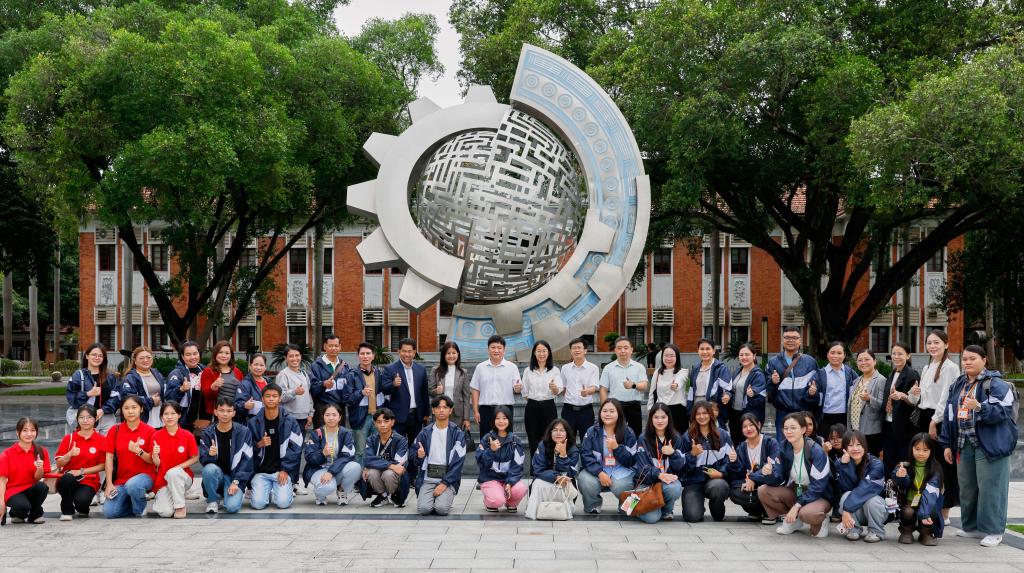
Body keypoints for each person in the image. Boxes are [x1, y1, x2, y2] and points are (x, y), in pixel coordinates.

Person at [939, 344, 1014, 547]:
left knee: (991, 489)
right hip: (963, 443)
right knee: (968, 488)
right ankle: (972, 527)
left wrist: (979, 407)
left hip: (989, 445)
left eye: (972, 358)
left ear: (984, 360)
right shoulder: (958, 384)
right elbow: (949, 414)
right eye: (965, 359)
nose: (967, 362)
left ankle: (994, 530)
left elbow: (1004, 412)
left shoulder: (996, 384)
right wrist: (947, 443)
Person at [758, 412, 833, 538]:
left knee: (808, 515)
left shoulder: (816, 451)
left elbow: (818, 486)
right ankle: (795, 520)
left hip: (818, 494)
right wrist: (769, 474)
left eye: (793, 428)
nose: (789, 431)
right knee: (763, 491)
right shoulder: (784, 447)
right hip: (797, 489)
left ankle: (821, 519)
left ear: (803, 430)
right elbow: (778, 478)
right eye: (786, 428)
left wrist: (797, 505)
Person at [919, 329, 960, 523]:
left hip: (939, 419)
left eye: (936, 342)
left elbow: (946, 398)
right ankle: (929, 507)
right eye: (929, 343)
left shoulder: (950, 367)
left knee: (944, 466)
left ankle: (945, 512)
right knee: (928, 465)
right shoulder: (927, 367)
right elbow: (923, 397)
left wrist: (934, 421)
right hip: (925, 417)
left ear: (946, 344)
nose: (932, 346)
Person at [247, 383, 303, 510]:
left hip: (281, 472)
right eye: (267, 396)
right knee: (258, 505)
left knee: (283, 504)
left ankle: (285, 489)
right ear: (262, 399)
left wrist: (285, 469)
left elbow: (296, 448)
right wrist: (259, 444)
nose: (271, 399)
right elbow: (246, 449)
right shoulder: (253, 422)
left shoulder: (290, 421)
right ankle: (266, 491)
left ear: (280, 398)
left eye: (274, 396)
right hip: (261, 472)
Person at [678, 400, 736, 522]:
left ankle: (716, 506)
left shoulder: (723, 435)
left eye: (705, 413)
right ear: (694, 416)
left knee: (719, 486)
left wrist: (721, 473)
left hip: (715, 480)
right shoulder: (687, 436)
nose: (702, 417)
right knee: (692, 517)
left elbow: (730, 460)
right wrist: (692, 454)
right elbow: (680, 466)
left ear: (711, 414)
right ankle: (696, 505)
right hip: (693, 482)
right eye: (698, 414)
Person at [411, 394, 468, 516]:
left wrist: (444, 484)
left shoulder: (457, 434)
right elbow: (412, 456)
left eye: (445, 407)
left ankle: (443, 498)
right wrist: (419, 456)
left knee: (441, 509)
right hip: (428, 478)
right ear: (433, 410)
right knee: (424, 509)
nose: (441, 410)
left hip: (448, 479)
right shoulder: (425, 432)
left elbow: (458, 464)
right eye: (438, 407)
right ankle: (432, 498)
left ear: (450, 410)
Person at [578, 398, 637, 514]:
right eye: (604, 411)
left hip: (621, 470)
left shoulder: (628, 432)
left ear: (619, 413)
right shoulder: (592, 431)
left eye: (611, 411)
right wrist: (599, 472)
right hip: (598, 469)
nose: (608, 414)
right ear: (600, 413)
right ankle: (593, 506)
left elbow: (632, 460)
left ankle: (626, 507)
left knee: (621, 486)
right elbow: (585, 455)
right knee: (584, 480)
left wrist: (617, 448)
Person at [102, 395, 157, 518]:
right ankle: (132, 501)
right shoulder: (114, 430)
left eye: (134, 407)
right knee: (109, 512)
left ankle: (139, 509)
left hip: (145, 476)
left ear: (141, 409)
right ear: (121, 410)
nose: (130, 411)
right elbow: (109, 458)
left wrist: (139, 451)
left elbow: (152, 460)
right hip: (121, 480)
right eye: (126, 408)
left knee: (133, 485)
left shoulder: (150, 431)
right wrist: (109, 484)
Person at [199, 397, 254, 514]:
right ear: (215, 412)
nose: (225, 414)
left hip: (234, 477)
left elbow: (247, 461)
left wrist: (237, 481)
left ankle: (225, 494)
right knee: (209, 469)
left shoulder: (244, 432)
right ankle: (213, 499)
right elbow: (203, 459)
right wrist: (210, 455)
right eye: (221, 410)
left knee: (232, 508)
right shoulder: (208, 433)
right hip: (217, 475)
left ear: (234, 413)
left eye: (229, 411)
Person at [632, 404, 685, 523]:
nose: (660, 421)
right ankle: (636, 507)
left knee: (675, 487)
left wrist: (673, 454)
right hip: (646, 484)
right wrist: (658, 474)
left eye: (663, 417)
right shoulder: (643, 438)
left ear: (669, 418)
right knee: (652, 518)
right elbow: (642, 468)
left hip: (666, 484)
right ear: (651, 418)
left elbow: (680, 467)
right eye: (656, 417)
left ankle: (666, 510)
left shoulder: (676, 438)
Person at [766, 327, 819, 441]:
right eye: (787, 337)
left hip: (804, 412)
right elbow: (769, 393)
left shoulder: (810, 362)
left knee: (804, 445)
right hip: (782, 413)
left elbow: (816, 388)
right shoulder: (773, 362)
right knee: (783, 445)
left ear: (800, 341)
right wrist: (773, 383)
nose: (791, 340)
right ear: (782, 340)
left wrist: (811, 394)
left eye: (794, 338)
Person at [54, 405, 106, 520]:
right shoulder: (69, 438)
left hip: (89, 481)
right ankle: (67, 510)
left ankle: (82, 507)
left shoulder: (102, 440)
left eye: (89, 417)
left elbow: (103, 466)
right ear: (77, 419)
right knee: (67, 479)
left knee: (82, 502)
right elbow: (58, 464)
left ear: (96, 419)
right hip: (68, 479)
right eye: (81, 417)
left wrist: (81, 471)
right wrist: (69, 455)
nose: (85, 420)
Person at [303, 404, 361, 506]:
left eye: (334, 415)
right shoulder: (316, 433)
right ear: (323, 417)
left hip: (337, 469)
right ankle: (320, 495)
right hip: (319, 469)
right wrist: (322, 453)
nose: (331, 418)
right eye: (327, 415)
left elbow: (347, 456)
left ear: (340, 417)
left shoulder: (346, 433)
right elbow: (309, 457)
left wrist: (331, 472)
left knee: (355, 467)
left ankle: (342, 490)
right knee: (327, 487)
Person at [835, 429, 887, 542]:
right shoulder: (840, 463)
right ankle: (853, 529)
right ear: (845, 448)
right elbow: (846, 488)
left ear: (864, 446)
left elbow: (865, 488)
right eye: (850, 445)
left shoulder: (876, 464)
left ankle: (876, 531)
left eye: (858, 444)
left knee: (872, 500)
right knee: (846, 495)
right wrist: (845, 467)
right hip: (855, 511)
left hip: (876, 511)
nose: (855, 449)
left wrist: (846, 509)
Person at [150, 401, 200, 518]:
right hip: (163, 480)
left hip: (183, 477)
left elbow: (195, 457)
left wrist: (177, 468)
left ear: (179, 415)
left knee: (173, 473)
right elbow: (157, 463)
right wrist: (155, 455)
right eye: (166, 414)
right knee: (165, 513)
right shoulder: (156, 436)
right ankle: (171, 496)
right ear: (161, 417)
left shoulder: (187, 435)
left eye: (173, 413)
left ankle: (180, 506)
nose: (169, 417)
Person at [893, 432, 944, 545]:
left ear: (931, 451)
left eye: (925, 450)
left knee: (931, 510)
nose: (921, 453)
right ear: (911, 449)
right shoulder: (904, 465)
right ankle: (906, 531)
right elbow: (899, 484)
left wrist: (924, 514)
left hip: (928, 503)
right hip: (909, 502)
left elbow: (931, 492)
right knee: (907, 512)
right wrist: (901, 476)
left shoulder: (935, 468)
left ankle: (926, 533)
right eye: (917, 449)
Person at [729, 413, 780, 524]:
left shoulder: (770, 443)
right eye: (744, 426)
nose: (748, 429)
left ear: (759, 425)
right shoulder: (741, 447)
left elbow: (775, 468)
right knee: (735, 492)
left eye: (751, 425)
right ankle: (756, 511)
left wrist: (753, 478)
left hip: (768, 483)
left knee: (767, 485)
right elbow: (739, 474)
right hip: (751, 486)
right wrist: (734, 461)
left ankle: (771, 511)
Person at [524, 418, 580, 520]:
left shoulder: (573, 450)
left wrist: (563, 455)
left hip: (564, 484)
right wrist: (555, 477)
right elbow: (538, 469)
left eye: (562, 430)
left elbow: (571, 473)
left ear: (567, 433)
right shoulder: (543, 445)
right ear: (550, 432)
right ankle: (535, 510)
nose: (558, 433)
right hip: (548, 480)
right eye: (555, 430)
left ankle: (563, 509)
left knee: (563, 484)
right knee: (537, 483)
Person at [474, 406, 527, 512]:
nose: (501, 421)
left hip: (508, 478)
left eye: (504, 418)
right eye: (497, 418)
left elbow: (517, 466)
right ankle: (489, 500)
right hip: (490, 479)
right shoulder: (487, 438)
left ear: (509, 420)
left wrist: (510, 482)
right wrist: (491, 450)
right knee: (497, 501)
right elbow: (482, 464)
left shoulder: (515, 440)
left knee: (522, 489)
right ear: (493, 420)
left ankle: (511, 503)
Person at [343, 342, 388, 461]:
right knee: (360, 452)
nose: (365, 356)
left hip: (377, 417)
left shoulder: (379, 373)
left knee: (377, 450)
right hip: (360, 418)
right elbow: (347, 398)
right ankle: (359, 473)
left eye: (368, 353)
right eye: (362, 353)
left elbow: (385, 392)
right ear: (358, 356)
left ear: (373, 356)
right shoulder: (351, 375)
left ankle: (374, 473)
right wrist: (361, 393)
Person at [0, 417, 50, 524]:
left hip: (31, 488)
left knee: (42, 487)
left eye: (32, 430)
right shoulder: (7, 454)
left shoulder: (41, 451)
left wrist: (40, 468)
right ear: (17, 432)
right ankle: (17, 513)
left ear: (36, 432)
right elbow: (2, 480)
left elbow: (38, 478)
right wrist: (1, 502)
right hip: (13, 490)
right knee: (22, 506)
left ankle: (35, 514)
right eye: (25, 430)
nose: (29, 434)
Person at [470, 335, 521, 440]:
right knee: (486, 440)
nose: (496, 350)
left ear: (504, 350)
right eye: (493, 347)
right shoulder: (480, 367)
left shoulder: (512, 367)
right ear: (488, 349)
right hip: (486, 410)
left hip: (505, 410)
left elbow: (517, 389)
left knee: (506, 441)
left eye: (499, 348)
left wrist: (517, 388)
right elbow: (475, 389)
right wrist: (475, 410)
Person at [882, 342, 921, 476]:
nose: (896, 356)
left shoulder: (912, 375)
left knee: (904, 462)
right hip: (888, 423)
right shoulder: (892, 373)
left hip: (904, 427)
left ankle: (903, 486)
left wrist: (903, 396)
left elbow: (915, 402)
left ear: (908, 356)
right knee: (888, 460)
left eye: (900, 354)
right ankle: (889, 487)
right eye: (894, 353)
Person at [521, 340, 563, 458]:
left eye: (544, 351)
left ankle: (548, 466)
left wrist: (554, 388)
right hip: (532, 407)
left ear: (548, 353)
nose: (541, 353)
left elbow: (558, 391)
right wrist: (534, 401)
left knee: (549, 438)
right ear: (534, 353)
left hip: (548, 407)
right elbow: (525, 392)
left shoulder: (554, 370)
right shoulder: (528, 371)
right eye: (538, 351)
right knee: (533, 439)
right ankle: (534, 467)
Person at [599, 337, 648, 437]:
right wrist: (605, 407)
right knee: (614, 435)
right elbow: (603, 389)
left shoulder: (639, 367)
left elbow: (644, 386)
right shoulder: (608, 368)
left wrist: (633, 385)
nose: (622, 351)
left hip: (634, 406)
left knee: (635, 435)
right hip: (615, 406)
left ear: (631, 349)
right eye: (619, 348)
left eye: (626, 348)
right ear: (615, 350)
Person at [384, 338, 430, 445]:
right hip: (397, 417)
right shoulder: (390, 369)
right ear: (398, 351)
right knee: (397, 447)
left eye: (410, 351)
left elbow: (424, 393)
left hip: (416, 416)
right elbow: (384, 389)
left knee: (415, 447)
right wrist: (393, 384)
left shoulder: (421, 369)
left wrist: (426, 413)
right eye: (404, 351)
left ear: (414, 352)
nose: (407, 354)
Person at [360, 408, 410, 508]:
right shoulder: (371, 439)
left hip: (393, 474)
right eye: (379, 422)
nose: (382, 425)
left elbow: (398, 463)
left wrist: (377, 464)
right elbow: (368, 460)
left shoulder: (401, 440)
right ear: (375, 424)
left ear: (392, 422)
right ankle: (382, 495)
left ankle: (394, 494)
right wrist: (390, 465)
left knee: (388, 474)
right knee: (371, 473)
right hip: (383, 471)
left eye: (386, 421)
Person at [66, 342, 119, 434]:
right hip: (86, 418)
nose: (97, 358)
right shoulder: (78, 376)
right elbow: (71, 399)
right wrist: (88, 394)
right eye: (94, 355)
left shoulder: (110, 376)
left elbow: (116, 398)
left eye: (100, 356)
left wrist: (103, 410)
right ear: (87, 356)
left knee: (108, 443)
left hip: (107, 418)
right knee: (87, 443)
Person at [559, 337, 600, 442]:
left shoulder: (593, 368)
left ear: (585, 350)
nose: (576, 350)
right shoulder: (565, 368)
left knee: (587, 441)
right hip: (568, 411)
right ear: (570, 351)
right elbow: (563, 388)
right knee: (567, 441)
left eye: (579, 348)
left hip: (586, 411)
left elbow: (594, 387)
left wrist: (587, 392)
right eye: (574, 348)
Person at [686, 339, 732, 430]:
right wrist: (689, 409)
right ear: (698, 351)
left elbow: (728, 389)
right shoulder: (695, 369)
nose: (705, 352)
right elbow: (691, 391)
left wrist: (727, 395)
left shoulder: (720, 368)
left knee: (714, 435)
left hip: (712, 409)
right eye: (702, 349)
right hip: (697, 409)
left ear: (713, 351)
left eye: (708, 349)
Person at [429, 341, 472, 436]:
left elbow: (466, 396)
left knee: (455, 437)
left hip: (457, 413)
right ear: (444, 355)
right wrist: (436, 391)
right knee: (439, 437)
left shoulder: (463, 372)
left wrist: (466, 418)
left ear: (458, 354)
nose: (451, 356)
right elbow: (430, 391)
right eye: (448, 353)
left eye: (454, 353)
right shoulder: (435, 370)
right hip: (440, 410)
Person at [200, 340, 245, 430]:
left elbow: (242, 392)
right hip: (217, 414)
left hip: (235, 413)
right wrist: (213, 386)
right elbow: (205, 394)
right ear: (215, 354)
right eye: (220, 352)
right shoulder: (208, 371)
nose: (224, 355)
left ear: (231, 355)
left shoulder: (237, 371)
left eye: (227, 353)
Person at [815, 342, 857, 438]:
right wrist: (812, 393)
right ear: (827, 354)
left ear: (844, 355)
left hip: (845, 417)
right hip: (825, 417)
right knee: (826, 443)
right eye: (832, 352)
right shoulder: (820, 373)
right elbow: (812, 398)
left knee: (844, 443)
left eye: (839, 353)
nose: (835, 356)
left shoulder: (850, 372)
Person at [725, 343, 767, 439]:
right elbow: (731, 389)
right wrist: (727, 395)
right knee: (735, 441)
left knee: (748, 442)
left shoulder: (758, 374)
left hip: (749, 415)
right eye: (741, 355)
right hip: (734, 413)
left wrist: (752, 394)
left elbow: (761, 397)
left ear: (754, 356)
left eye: (747, 354)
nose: (744, 357)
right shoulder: (737, 371)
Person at [848, 349, 886, 456]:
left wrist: (869, 399)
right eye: (860, 360)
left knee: (870, 460)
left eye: (867, 359)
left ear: (874, 361)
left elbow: (883, 406)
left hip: (871, 431)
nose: (863, 362)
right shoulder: (857, 380)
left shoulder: (880, 380)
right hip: (855, 430)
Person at [164, 340, 207, 432]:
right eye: (188, 354)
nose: (193, 357)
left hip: (202, 421)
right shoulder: (177, 373)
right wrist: (181, 389)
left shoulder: (205, 370)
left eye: (195, 353)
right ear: (182, 356)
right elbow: (169, 398)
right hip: (184, 421)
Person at [309, 333, 350, 429]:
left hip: (339, 408)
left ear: (340, 347)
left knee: (339, 435)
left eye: (336, 346)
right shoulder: (316, 366)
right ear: (325, 347)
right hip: (322, 408)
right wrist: (323, 384)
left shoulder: (345, 366)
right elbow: (312, 389)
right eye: (330, 346)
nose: (333, 348)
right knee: (322, 436)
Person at [276, 344, 314, 442]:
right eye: (291, 356)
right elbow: (280, 397)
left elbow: (308, 395)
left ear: (301, 356)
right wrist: (294, 392)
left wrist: (310, 414)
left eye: (297, 355)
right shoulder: (283, 374)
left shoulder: (304, 373)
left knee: (300, 446)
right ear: (285, 358)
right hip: (289, 418)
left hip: (304, 418)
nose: (294, 359)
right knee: (290, 448)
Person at [647, 343, 688, 434]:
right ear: (662, 357)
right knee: (661, 437)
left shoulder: (683, 372)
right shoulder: (657, 372)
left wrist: (676, 384)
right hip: (660, 411)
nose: (668, 358)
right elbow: (652, 392)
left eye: (672, 356)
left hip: (678, 412)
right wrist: (650, 410)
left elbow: (680, 380)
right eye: (666, 355)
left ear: (677, 357)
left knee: (679, 438)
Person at [120, 346, 164, 427]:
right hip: (143, 418)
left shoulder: (157, 374)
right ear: (135, 361)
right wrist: (151, 401)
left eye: (148, 357)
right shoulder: (130, 377)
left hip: (159, 417)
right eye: (141, 358)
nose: (146, 360)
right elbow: (128, 398)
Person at [824, 423, 848, 522]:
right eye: (833, 438)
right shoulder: (828, 451)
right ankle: (836, 509)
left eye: (839, 437)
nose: (836, 441)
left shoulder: (850, 450)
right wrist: (824, 452)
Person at [235, 353, 269, 423]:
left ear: (265, 367)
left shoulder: (268, 382)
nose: (258, 368)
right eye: (256, 364)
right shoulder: (244, 384)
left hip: (267, 419)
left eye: (261, 365)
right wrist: (244, 405)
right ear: (250, 366)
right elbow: (237, 404)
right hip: (252, 422)